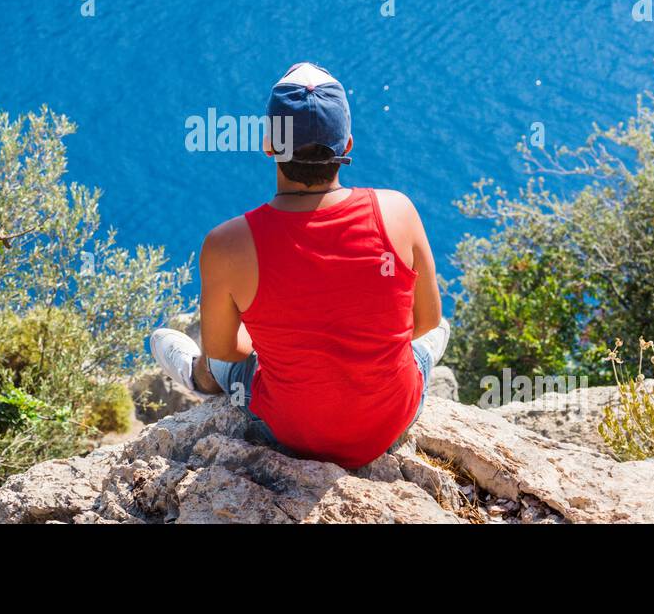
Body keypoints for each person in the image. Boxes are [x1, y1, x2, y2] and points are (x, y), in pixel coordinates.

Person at [151, 61, 449, 469]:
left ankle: (194, 377)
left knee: (206, 359)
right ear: (347, 145)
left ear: (269, 146)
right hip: (390, 421)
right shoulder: (398, 210)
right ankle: (416, 359)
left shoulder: (228, 243)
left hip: (293, 432)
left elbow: (225, 349)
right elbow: (427, 319)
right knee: (436, 333)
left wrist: (280, 344)